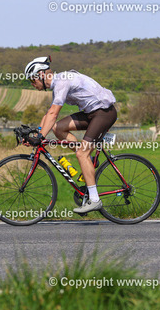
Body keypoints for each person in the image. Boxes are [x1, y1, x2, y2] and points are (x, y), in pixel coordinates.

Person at [24, 56, 117, 214]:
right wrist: (37, 133)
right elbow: (49, 115)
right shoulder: (58, 85)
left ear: (41, 74)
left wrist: (40, 138)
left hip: (104, 113)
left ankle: (95, 200)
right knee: (57, 128)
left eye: (33, 80)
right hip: (91, 113)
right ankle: (88, 159)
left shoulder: (62, 81)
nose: (33, 85)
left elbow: (53, 113)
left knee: (81, 154)